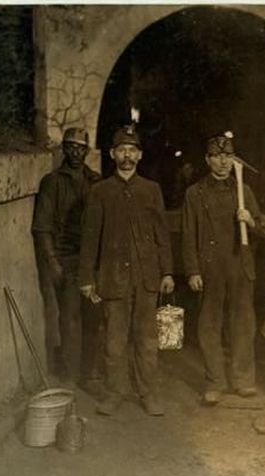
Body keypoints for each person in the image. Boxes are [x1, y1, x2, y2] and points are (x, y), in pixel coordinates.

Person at [78, 124, 175, 416]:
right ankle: (115, 392)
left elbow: (162, 234)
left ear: (140, 155)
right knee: (114, 340)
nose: (127, 156)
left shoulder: (151, 190)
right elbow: (90, 237)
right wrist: (86, 278)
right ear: (112, 154)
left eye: (132, 150)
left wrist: (167, 272)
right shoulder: (100, 192)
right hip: (113, 278)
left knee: (147, 339)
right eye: (121, 150)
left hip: (146, 279)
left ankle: (148, 393)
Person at [181, 131, 260, 405]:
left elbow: (261, 226)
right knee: (209, 325)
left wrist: (249, 220)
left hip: (240, 263)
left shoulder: (243, 191)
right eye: (217, 156)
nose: (223, 162)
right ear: (207, 160)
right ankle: (215, 381)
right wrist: (192, 270)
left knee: (243, 324)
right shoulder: (195, 193)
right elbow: (188, 233)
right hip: (210, 267)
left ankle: (243, 380)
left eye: (228, 156)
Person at [31, 127, 105, 394]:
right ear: (64, 148)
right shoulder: (51, 182)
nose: (76, 152)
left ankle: (91, 374)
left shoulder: (96, 181)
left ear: (87, 151)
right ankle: (73, 375)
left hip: (93, 260)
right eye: (71, 147)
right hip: (67, 258)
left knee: (94, 316)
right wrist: (54, 263)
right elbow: (42, 228)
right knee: (70, 317)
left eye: (81, 148)